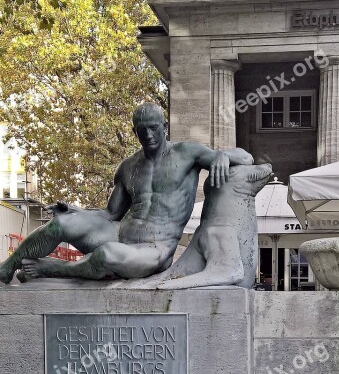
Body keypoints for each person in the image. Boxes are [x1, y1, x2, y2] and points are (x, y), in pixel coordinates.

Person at [0, 103, 253, 284]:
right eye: (142, 130)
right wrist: (75, 211)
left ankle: (55, 269)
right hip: (120, 233)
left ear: (164, 126)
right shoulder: (128, 166)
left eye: (154, 128)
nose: (149, 135)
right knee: (61, 224)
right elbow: (111, 213)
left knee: (106, 254)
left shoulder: (188, 153)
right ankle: (7, 267)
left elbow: (246, 158)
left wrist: (223, 155)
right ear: (134, 131)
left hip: (155, 248)